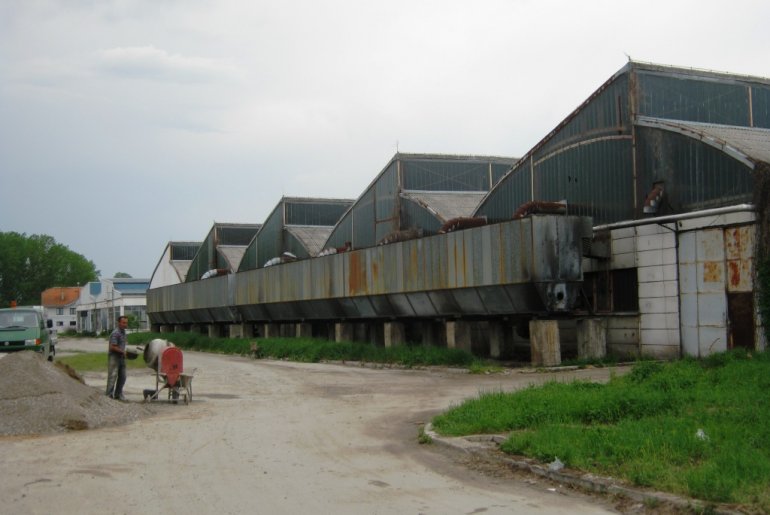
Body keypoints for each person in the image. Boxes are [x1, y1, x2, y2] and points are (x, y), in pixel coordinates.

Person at [106, 315, 128, 400]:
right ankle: (108, 395)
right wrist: (123, 351)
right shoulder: (116, 333)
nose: (125, 324)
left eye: (126, 323)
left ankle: (118, 394)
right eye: (123, 323)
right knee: (112, 376)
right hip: (114, 357)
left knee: (123, 376)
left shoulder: (123, 332)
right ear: (119, 323)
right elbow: (112, 347)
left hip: (121, 357)